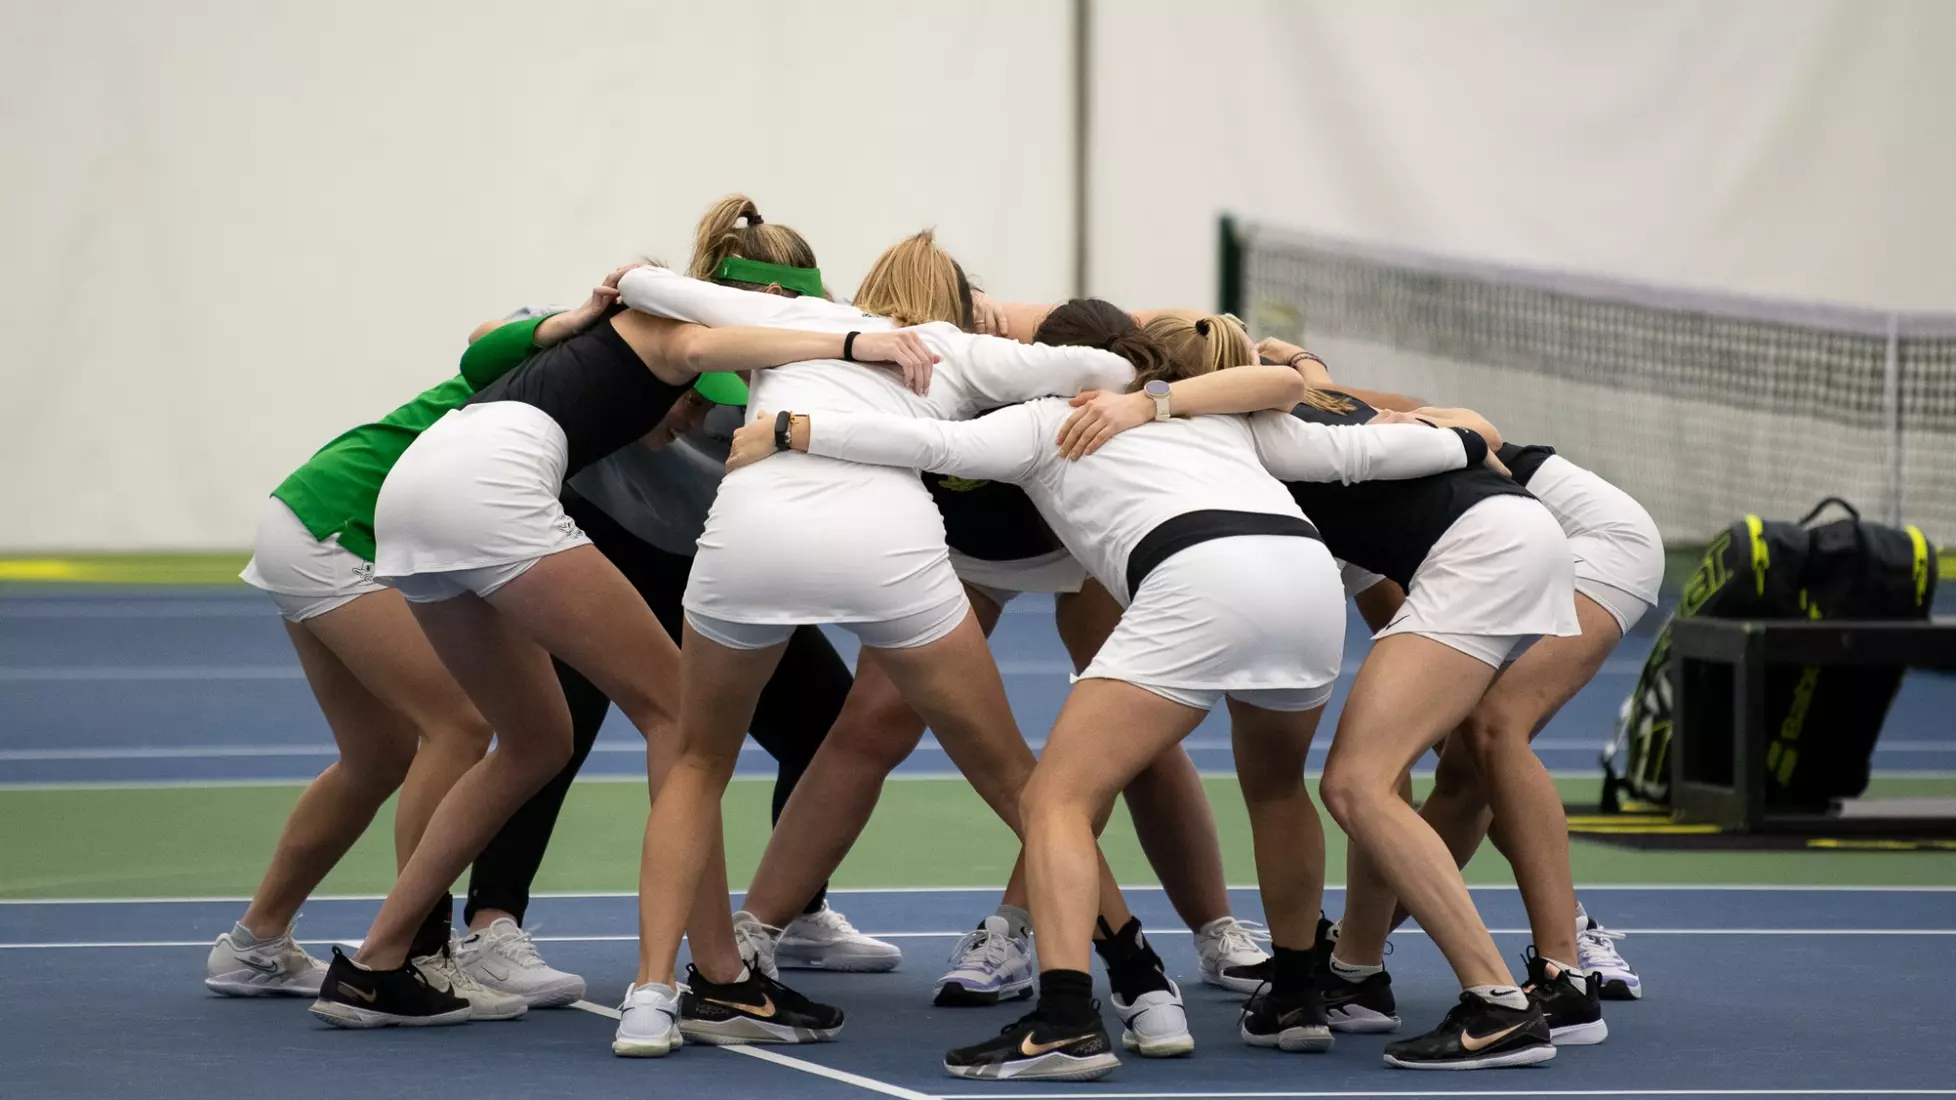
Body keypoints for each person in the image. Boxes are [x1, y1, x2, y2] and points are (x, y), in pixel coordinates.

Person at [735, 300, 1492, 1080]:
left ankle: (1064, 1019)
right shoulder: (1228, 419)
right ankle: (1297, 993)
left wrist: (792, 428)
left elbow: (928, 440)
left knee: (1053, 799)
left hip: (1198, 574)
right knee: (1276, 790)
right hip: (1305, 582)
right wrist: (1471, 439)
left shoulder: (1050, 419)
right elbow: (1363, 453)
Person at [305, 273, 937, 1032]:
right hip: (495, 490)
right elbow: (704, 341)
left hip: (417, 495)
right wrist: (860, 342)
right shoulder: (664, 323)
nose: (700, 413)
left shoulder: (600, 340)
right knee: (682, 721)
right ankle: (717, 980)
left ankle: (375, 964)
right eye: (696, 397)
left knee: (532, 740)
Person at [611, 247, 1201, 1059]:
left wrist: (635, 275)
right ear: (961, 305)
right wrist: (1007, 322)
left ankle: (651, 999)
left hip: (750, 537)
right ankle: (1142, 984)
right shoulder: (966, 347)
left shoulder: (803, 318)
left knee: (695, 762)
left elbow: (642, 286)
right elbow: (1113, 361)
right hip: (889, 552)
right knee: (1022, 785)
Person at [451, 199, 892, 1008]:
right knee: (555, 727)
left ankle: (793, 909)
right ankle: (490, 926)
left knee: (828, 721)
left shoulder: (800, 363)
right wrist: (567, 323)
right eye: (780, 304)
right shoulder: (649, 323)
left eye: (803, 306)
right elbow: (486, 339)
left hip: (713, 570)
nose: (790, 319)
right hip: (595, 545)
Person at [207, 272, 631, 1019]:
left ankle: (255, 945)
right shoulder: (553, 373)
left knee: (377, 756)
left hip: (312, 517)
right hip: (339, 529)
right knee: (460, 726)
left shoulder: (577, 406)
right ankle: (411, 958)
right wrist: (574, 318)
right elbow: (483, 339)